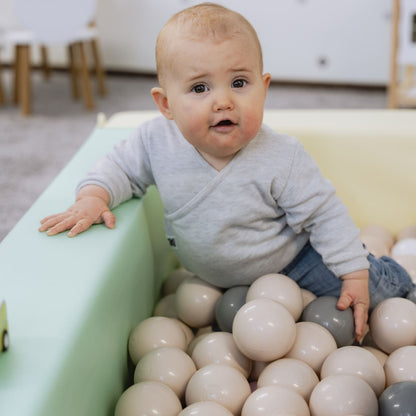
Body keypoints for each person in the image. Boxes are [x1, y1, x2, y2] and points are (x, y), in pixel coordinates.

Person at [39, 3, 414, 340]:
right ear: (166, 104)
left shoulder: (281, 156)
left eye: (239, 83)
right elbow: (118, 167)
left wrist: (354, 273)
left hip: (296, 261)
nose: (223, 101)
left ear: (263, 88)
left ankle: (397, 279)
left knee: (369, 295)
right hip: (220, 282)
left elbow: (324, 215)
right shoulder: (156, 142)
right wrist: (93, 196)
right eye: (200, 88)